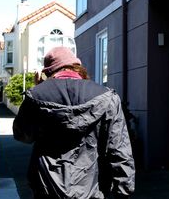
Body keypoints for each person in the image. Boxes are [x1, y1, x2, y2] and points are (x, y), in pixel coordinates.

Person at [13, 47, 135, 199]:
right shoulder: (107, 97)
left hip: (47, 188)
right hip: (92, 189)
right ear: (77, 66)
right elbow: (119, 149)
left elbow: (23, 135)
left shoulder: (36, 96)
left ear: (48, 71)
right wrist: (123, 191)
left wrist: (38, 89)